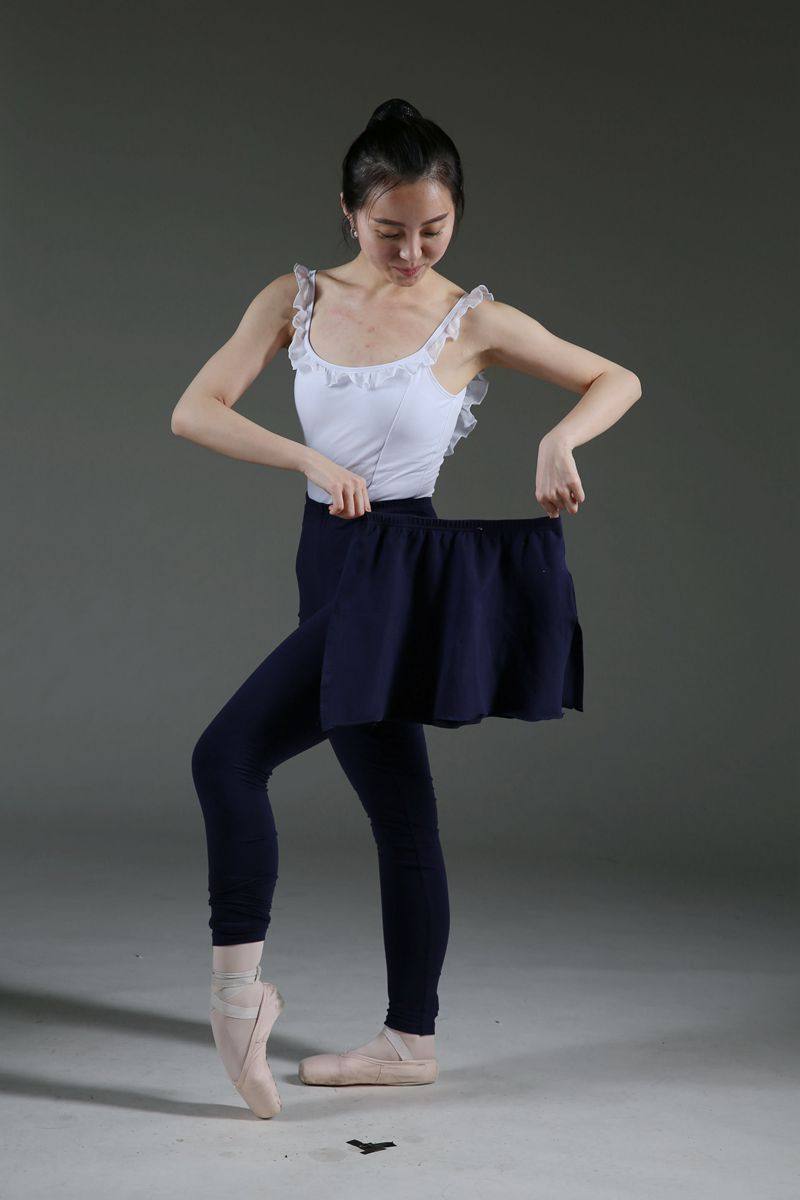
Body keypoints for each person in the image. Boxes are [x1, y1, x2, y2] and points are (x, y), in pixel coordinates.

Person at [171, 98, 641, 1118]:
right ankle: (408, 1042)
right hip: (325, 554)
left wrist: (560, 437)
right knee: (399, 811)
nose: (412, 252)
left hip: (396, 570)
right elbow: (194, 409)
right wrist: (306, 459)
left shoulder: (473, 320)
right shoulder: (294, 298)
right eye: (390, 231)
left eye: (434, 230)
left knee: (227, 757)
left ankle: (237, 999)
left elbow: (617, 379)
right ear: (348, 213)